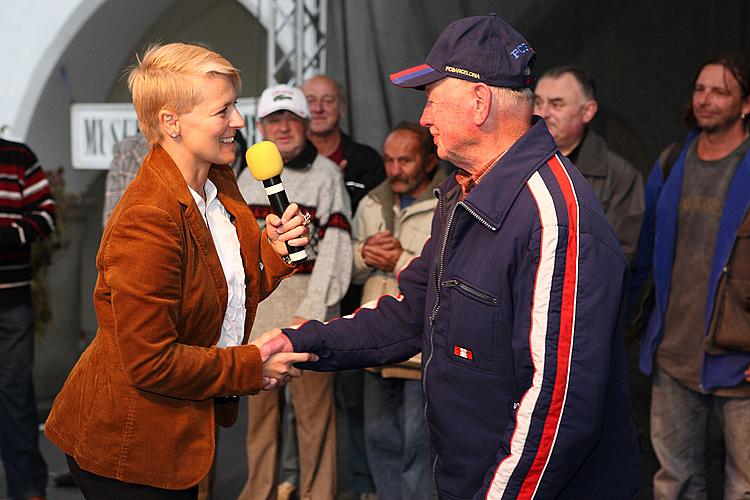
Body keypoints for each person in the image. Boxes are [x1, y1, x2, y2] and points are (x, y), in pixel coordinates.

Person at [255, 14, 641, 499]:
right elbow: (410, 313)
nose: (424, 118)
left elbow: (559, 408)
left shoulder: (553, 216)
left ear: (479, 103)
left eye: (433, 99)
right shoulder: (462, 195)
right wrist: (299, 340)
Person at [43, 42, 315, 499]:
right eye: (222, 110)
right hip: (126, 449)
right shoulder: (147, 218)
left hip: (176, 436)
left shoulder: (217, 182)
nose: (239, 122)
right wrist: (253, 363)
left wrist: (275, 251)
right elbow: (152, 361)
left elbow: (225, 290)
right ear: (170, 122)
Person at [629, 54, 750, 499]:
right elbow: (645, 256)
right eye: (700, 89)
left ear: (745, 104)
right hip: (674, 358)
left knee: (744, 488)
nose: (706, 99)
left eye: (720, 91)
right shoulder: (671, 162)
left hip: (740, 361)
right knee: (674, 482)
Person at [236, 84, 352, 500]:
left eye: (290, 120)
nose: (282, 129)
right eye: (273, 121)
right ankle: (258, 493)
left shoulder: (327, 175)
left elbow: (338, 249)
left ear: (305, 124)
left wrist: (314, 312)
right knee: (260, 423)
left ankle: (318, 495)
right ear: (262, 127)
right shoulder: (248, 177)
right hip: (261, 320)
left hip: (308, 316)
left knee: (314, 419)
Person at [301, 72, 384, 500]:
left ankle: (361, 489)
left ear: (342, 108)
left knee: (352, 401)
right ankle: (292, 484)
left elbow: (375, 224)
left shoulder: (366, 161)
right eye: (310, 100)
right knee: (294, 404)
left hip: (351, 300)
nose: (318, 108)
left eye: (327, 100)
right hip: (298, 301)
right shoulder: (280, 161)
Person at [352, 121, 445, 499]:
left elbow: (451, 274)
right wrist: (363, 255)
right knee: (377, 437)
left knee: (418, 444)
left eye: (405, 160)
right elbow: (349, 271)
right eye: (389, 160)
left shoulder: (448, 202)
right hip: (375, 340)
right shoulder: (372, 201)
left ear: (427, 161)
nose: (394, 170)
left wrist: (399, 260)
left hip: (421, 345)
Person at [533, 66, 644, 262]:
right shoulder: (513, 163)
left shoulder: (620, 176)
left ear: (588, 111)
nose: (543, 113)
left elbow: (618, 257)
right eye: (538, 102)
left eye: (556, 104)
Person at [0, 138, 56, 500]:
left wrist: (8, 235)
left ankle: (28, 490)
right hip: (14, 300)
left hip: (12, 298)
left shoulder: (18, 156)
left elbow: (47, 215)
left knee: (15, 394)